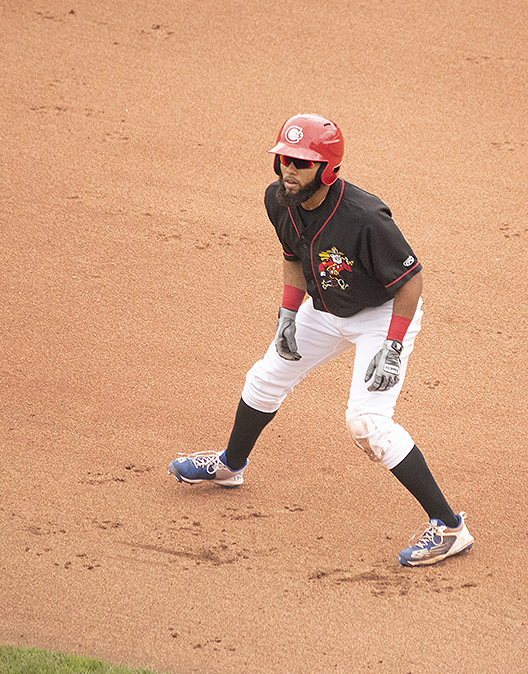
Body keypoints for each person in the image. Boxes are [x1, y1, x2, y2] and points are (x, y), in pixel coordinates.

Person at [169, 113, 473, 567]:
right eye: (285, 160)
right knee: (265, 377)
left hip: (382, 315)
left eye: (302, 163)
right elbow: (292, 255)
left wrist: (391, 347)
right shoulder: (279, 199)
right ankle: (232, 465)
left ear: (327, 170)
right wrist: (288, 314)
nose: (289, 170)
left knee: (367, 421)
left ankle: (450, 528)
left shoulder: (366, 218)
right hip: (325, 307)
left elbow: (411, 281)